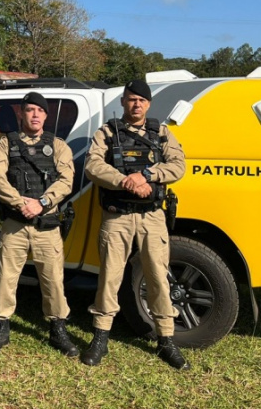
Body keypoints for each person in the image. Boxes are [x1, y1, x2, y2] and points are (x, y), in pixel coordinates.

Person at [82, 79, 190, 370]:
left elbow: (179, 166)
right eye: (131, 99)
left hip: (152, 217)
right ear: (123, 102)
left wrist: (147, 175)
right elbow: (93, 166)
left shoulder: (162, 133)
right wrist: (125, 182)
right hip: (116, 217)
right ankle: (101, 337)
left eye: (141, 100)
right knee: (109, 279)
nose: (136, 104)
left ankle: (166, 340)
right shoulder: (106, 132)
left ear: (149, 104)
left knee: (157, 277)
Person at [0, 92, 78, 357]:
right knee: (6, 277)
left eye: (40, 110)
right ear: (21, 114)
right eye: (29, 110)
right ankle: (1, 327)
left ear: (46, 116)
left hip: (46, 224)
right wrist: (19, 202)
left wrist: (42, 202)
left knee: (53, 280)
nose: (35, 114)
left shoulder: (59, 146)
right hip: (15, 222)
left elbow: (66, 180)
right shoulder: (5, 145)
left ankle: (58, 329)